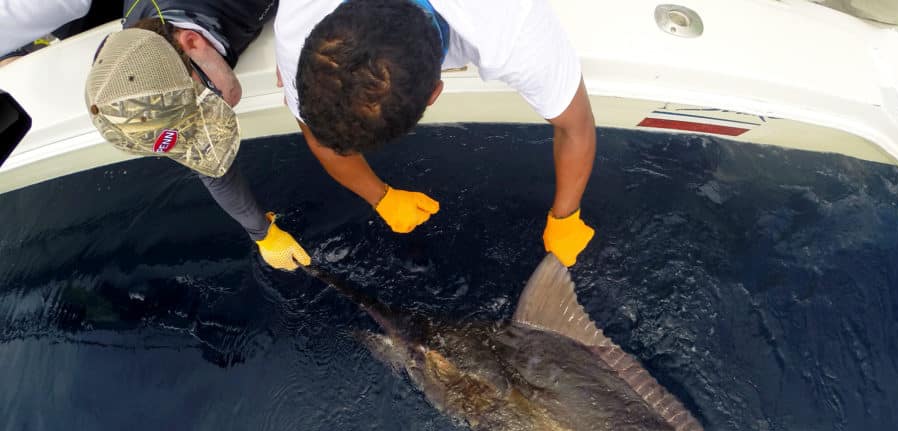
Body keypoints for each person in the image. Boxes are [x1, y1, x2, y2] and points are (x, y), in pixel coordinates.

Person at [274, 0, 598, 267]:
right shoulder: (299, 30)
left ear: (434, 93)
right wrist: (379, 195)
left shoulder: (513, 26)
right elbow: (319, 136)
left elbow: (576, 126)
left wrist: (565, 217)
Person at [84, 0, 311, 271]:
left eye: (205, 101)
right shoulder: (137, 69)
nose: (214, 116)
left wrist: (297, 33)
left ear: (192, 42)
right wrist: (264, 234)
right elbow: (208, 162)